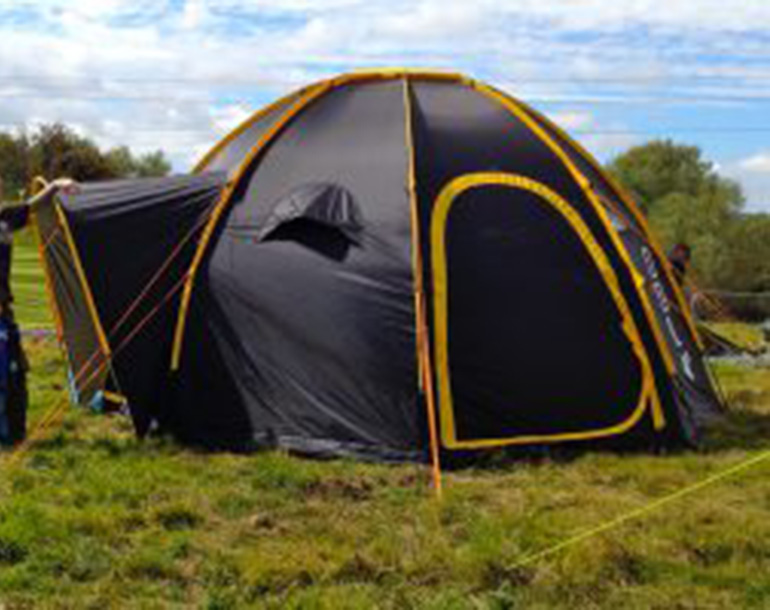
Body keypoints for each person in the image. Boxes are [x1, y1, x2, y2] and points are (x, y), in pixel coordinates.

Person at [0, 177, 77, 446]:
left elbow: (33, 205)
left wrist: (55, 186)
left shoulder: (5, 217)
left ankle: (13, 434)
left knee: (15, 373)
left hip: (3, 315)